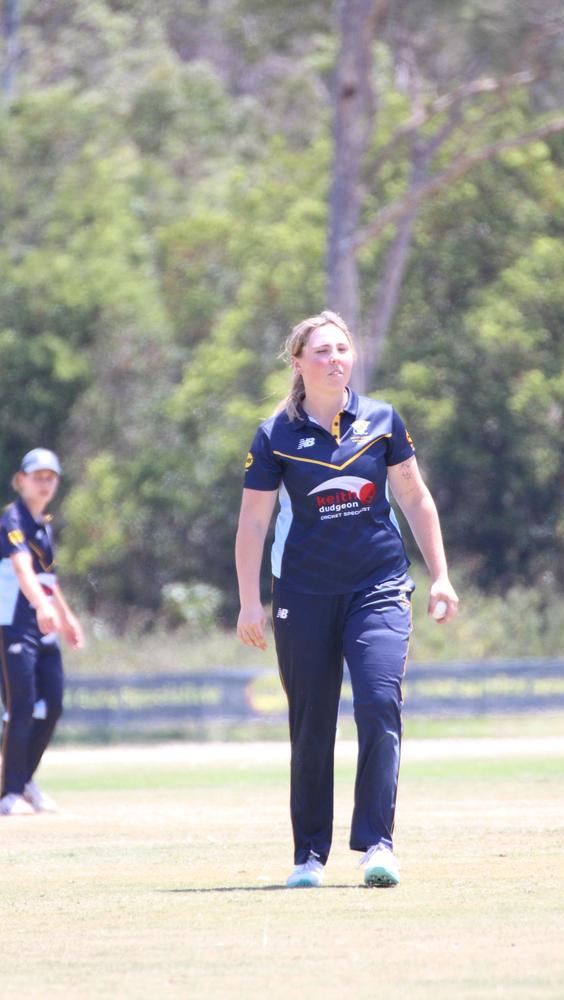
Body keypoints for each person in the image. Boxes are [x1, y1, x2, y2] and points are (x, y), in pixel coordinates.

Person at [235, 311, 458, 888]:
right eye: (321, 351)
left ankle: (378, 844)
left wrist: (440, 575)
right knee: (312, 723)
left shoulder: (382, 421)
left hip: (378, 586)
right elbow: (254, 525)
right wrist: (249, 601)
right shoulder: (274, 435)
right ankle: (309, 855)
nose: (335, 359)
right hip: (302, 592)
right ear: (299, 362)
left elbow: (415, 498)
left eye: (342, 349)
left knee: (379, 702)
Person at [0, 448, 84, 816]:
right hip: (15, 625)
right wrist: (42, 606)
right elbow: (23, 571)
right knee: (21, 708)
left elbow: (49, 578)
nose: (45, 483)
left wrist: (66, 616)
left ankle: (25, 781)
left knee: (52, 706)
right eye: (38, 476)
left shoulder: (43, 522)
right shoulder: (12, 519)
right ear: (21, 480)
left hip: (44, 625)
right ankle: (10, 794)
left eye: (51, 477)